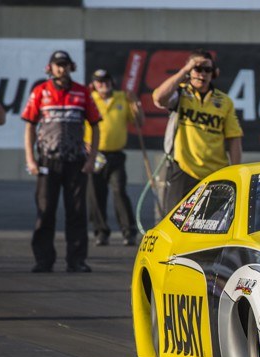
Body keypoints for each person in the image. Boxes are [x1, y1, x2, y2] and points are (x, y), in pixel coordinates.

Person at [22, 50, 101, 273]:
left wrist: (91, 159)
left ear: (71, 67)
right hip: (48, 161)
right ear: (50, 68)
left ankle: (76, 260)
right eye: (57, 64)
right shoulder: (40, 91)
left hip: (76, 162)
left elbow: (96, 126)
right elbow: (29, 126)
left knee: (76, 212)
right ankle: (43, 260)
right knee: (45, 211)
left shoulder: (82, 92)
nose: (61, 68)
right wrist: (30, 159)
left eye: (65, 64)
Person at [152, 49, 243, 213]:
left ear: (214, 73)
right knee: (175, 220)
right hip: (184, 169)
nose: (202, 74)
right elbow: (159, 98)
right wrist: (185, 70)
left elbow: (234, 138)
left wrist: (235, 172)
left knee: (211, 223)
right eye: (198, 69)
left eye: (207, 69)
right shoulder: (180, 93)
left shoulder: (224, 101)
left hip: (215, 173)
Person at [84, 69, 144, 246]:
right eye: (99, 81)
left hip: (116, 154)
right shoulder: (88, 99)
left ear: (112, 81)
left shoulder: (123, 98)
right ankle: (101, 232)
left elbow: (139, 122)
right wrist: (82, 143)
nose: (104, 84)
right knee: (96, 194)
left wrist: (136, 104)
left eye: (106, 80)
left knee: (119, 191)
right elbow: (77, 123)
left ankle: (129, 231)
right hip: (94, 155)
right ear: (94, 84)